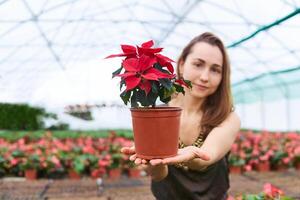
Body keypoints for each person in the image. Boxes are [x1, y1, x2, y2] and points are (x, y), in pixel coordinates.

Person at [121, 32, 241, 200]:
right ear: (182, 64)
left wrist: (190, 155)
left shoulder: (227, 118)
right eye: (198, 64)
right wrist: (151, 161)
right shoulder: (156, 115)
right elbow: (159, 175)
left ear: (223, 76)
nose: (205, 77)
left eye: (215, 70)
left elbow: (204, 159)